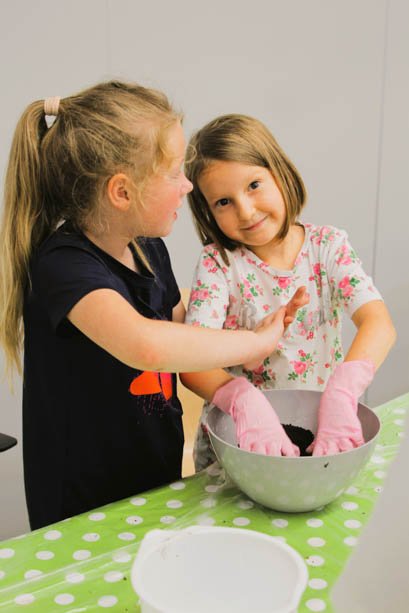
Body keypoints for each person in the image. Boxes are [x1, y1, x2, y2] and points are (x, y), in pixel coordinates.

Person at [0, 84, 306, 529]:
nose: (187, 187)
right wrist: (253, 342)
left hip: (151, 475)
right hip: (83, 501)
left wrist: (245, 344)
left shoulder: (146, 248)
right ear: (122, 192)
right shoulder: (63, 266)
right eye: (174, 173)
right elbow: (147, 346)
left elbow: (184, 330)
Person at [181, 113, 396, 471]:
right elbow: (191, 363)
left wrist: (343, 391)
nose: (246, 211)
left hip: (319, 436)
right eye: (223, 202)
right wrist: (242, 399)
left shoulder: (328, 246)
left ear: (281, 174)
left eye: (253, 185)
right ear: (207, 211)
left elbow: (379, 324)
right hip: (238, 445)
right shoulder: (219, 263)